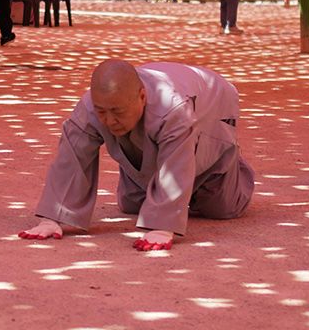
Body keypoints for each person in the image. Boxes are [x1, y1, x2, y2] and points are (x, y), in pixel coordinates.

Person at [19, 60, 255, 251]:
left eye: (117, 112)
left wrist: (162, 226)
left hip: (213, 106)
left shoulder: (172, 108)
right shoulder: (90, 105)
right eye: (102, 112)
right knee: (133, 205)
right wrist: (52, 218)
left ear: (142, 97)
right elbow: (71, 157)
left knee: (221, 208)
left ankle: (230, 161)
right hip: (163, 107)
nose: (109, 121)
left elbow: (177, 164)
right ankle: (148, 174)